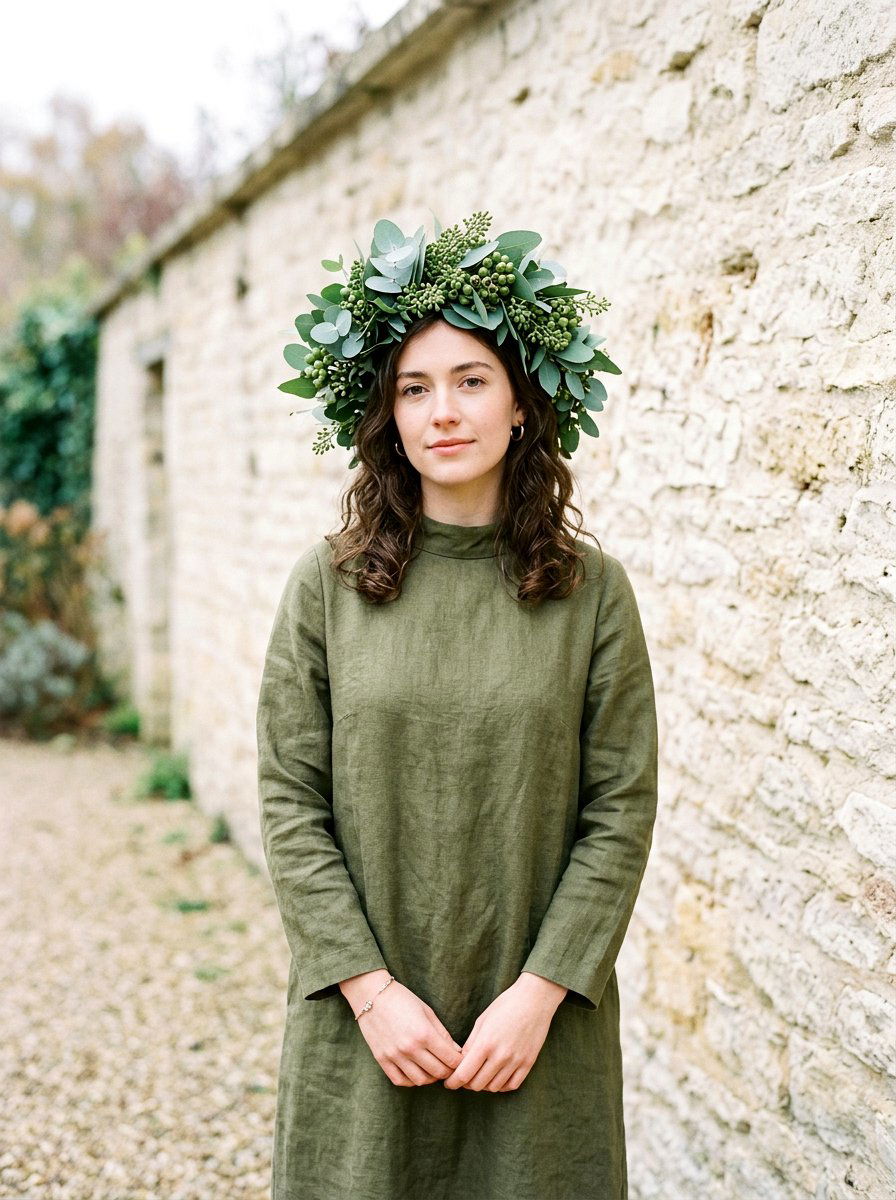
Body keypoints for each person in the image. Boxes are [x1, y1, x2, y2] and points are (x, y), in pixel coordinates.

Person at [257, 215, 658, 1199]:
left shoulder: (589, 592)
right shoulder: (328, 586)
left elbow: (619, 807)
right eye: (414, 387)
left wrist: (538, 993)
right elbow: (287, 795)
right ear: (385, 415)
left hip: (531, 1027)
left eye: (470, 380)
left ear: (521, 402)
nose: (442, 410)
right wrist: (368, 989)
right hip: (368, 1023)